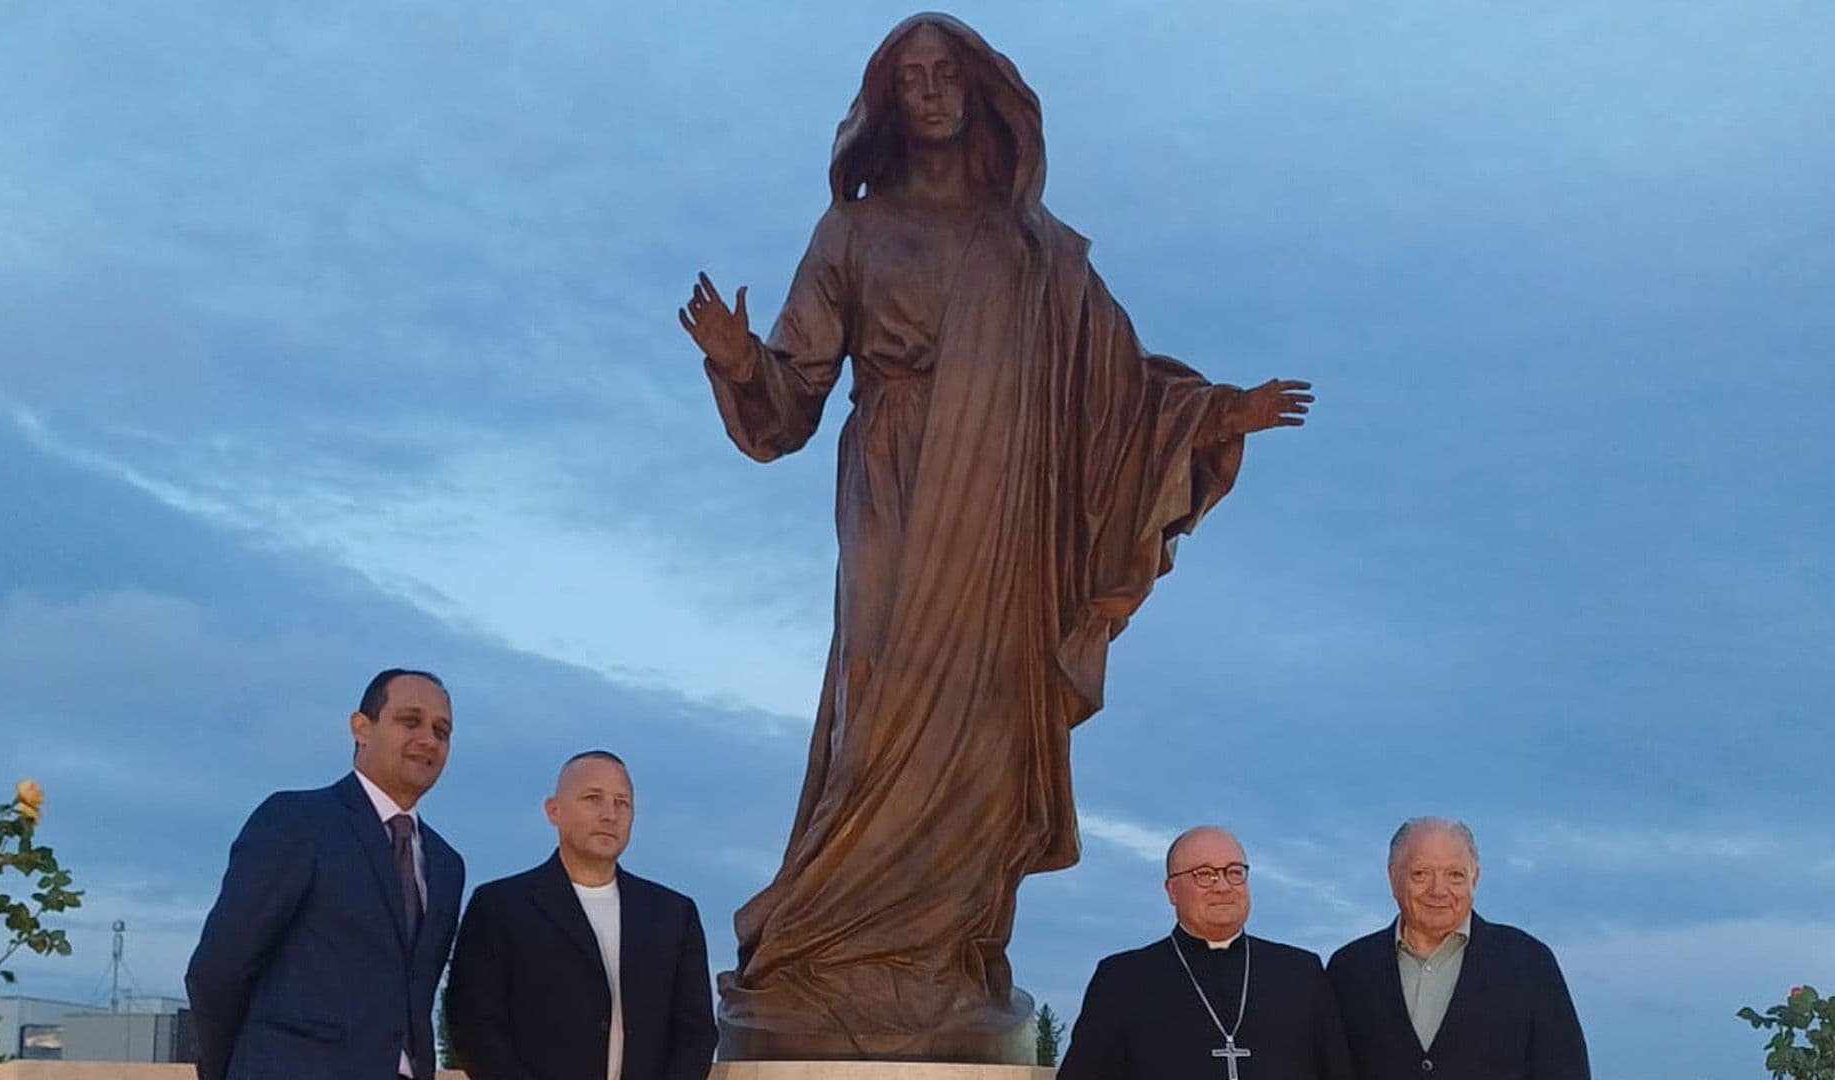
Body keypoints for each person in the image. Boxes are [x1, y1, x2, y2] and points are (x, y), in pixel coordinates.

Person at [676, 12, 1313, 1056]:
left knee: (984, 730)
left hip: (1007, 511)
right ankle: (830, 943)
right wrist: (742, 360)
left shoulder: (1037, 251)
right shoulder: (854, 230)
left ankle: (941, 959)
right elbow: (789, 405)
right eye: (909, 78)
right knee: (877, 719)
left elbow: (1117, 385)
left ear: (978, 91)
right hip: (897, 486)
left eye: (945, 75)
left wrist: (1210, 415)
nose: (928, 92)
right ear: (887, 100)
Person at [186, 668, 464, 1080]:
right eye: (410, 721)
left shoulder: (445, 865)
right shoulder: (298, 822)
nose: (428, 739)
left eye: (442, 730)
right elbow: (218, 969)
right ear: (361, 728)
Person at [445, 750, 717, 1080]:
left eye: (622, 802)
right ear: (553, 810)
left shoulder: (673, 916)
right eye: (593, 798)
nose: (609, 814)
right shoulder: (499, 908)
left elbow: (696, 1033)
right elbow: (474, 1024)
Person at [1058, 827, 1352, 1079]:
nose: (1223, 886)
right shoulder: (1122, 981)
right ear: (1172, 890)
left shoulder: (1301, 974)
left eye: (1235, 872)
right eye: (1205, 875)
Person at [1326, 818, 1590, 1080]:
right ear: (1393, 877)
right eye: (1421, 874)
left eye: (1455, 875)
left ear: (1475, 877)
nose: (1438, 890)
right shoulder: (1349, 970)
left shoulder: (1529, 963)